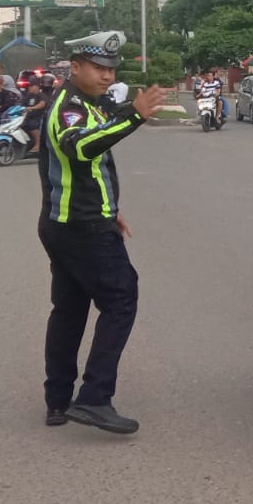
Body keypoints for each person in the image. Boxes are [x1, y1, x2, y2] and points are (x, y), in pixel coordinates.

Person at [38, 31, 165, 433]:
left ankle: (58, 400)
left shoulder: (87, 104)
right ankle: (94, 397)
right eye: (99, 68)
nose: (108, 76)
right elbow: (81, 149)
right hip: (82, 229)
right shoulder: (69, 108)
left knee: (70, 311)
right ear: (75, 67)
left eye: (111, 69)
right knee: (122, 298)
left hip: (75, 221)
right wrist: (135, 115)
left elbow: (88, 172)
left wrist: (113, 210)